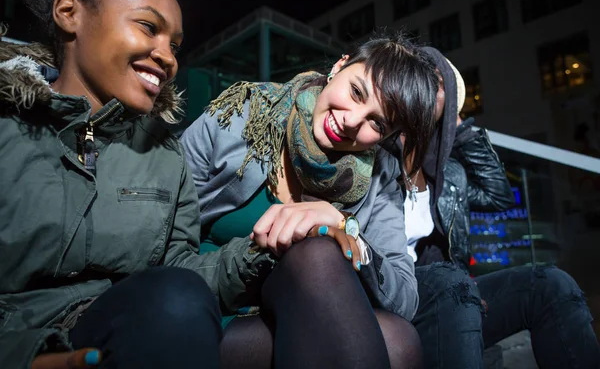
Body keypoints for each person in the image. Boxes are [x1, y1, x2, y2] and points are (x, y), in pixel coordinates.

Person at [0, 0, 276, 368]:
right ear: (68, 13)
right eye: (148, 27)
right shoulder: (9, 127)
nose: (167, 57)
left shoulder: (166, 154)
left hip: (124, 331)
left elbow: (180, 273)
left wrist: (266, 246)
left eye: (175, 46)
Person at [180, 33, 440, 368]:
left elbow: (404, 298)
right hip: (211, 303)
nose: (351, 121)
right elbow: (161, 240)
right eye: (356, 92)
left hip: (301, 310)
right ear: (339, 66)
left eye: (377, 123)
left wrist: (345, 226)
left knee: (399, 336)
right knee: (322, 259)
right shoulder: (242, 115)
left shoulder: (381, 175)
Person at [402, 46, 600, 368]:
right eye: (419, 80)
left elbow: (499, 196)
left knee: (551, 284)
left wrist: (459, 124)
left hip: (456, 294)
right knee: (456, 286)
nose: (427, 92)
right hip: (412, 293)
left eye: (439, 85)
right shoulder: (376, 151)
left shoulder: (449, 174)